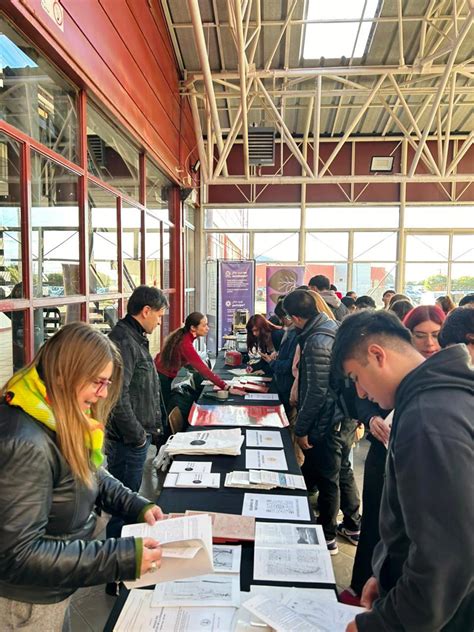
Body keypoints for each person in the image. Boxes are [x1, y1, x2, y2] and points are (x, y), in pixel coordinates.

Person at [0, 323, 164, 630]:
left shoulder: (53, 411)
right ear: (64, 373)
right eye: (97, 383)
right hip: (25, 607)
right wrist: (121, 558)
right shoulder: (24, 441)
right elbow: (18, 555)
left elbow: (88, 471)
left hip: (52, 588)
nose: (101, 395)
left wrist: (136, 504)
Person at [331, 310, 474, 632]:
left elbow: (448, 556)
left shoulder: (428, 420)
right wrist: (387, 573)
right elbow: (418, 523)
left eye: (356, 378)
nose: (362, 393)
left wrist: (383, 624)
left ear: (377, 355)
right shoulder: (434, 400)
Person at [283, 290, 361, 556]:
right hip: (343, 417)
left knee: (328, 477)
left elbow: (315, 392)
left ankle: (326, 535)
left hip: (330, 420)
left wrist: (303, 429)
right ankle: (353, 524)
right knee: (342, 470)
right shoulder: (331, 327)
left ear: (295, 317)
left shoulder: (316, 341)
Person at [106, 286, 168, 550]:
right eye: (159, 315)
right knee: (124, 507)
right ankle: (115, 568)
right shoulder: (124, 342)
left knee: (128, 504)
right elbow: (117, 397)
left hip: (133, 437)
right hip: (127, 441)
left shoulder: (134, 337)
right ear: (146, 311)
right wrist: (138, 437)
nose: (160, 320)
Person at [155, 312, 227, 410]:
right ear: (193, 328)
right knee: (163, 409)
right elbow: (203, 370)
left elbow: (188, 361)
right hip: (161, 377)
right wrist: (226, 387)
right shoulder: (185, 343)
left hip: (161, 374)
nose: (207, 328)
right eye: (204, 325)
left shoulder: (185, 337)